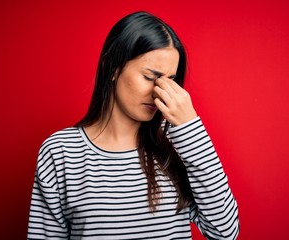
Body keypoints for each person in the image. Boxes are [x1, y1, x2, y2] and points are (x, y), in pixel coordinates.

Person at [27, 11, 239, 240]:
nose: (159, 91)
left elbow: (225, 233)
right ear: (113, 67)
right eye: (150, 77)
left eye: (170, 80)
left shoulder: (177, 143)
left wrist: (191, 129)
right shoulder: (61, 151)